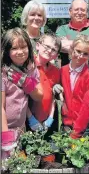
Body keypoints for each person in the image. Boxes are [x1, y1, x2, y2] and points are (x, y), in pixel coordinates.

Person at [1, 27, 43, 159]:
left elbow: (38, 96)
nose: (20, 52)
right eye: (14, 48)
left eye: (24, 47)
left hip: (19, 129)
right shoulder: (3, 73)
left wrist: (24, 82)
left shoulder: (30, 69)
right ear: (6, 51)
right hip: (4, 131)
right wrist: (6, 138)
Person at [27, 34, 63, 136]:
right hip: (29, 119)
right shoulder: (29, 65)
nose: (49, 51)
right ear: (38, 45)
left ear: (56, 55)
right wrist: (30, 118)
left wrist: (51, 117)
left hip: (47, 120)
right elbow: (22, 96)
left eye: (54, 49)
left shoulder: (56, 71)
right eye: (47, 46)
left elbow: (53, 96)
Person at [56, 0, 89, 66]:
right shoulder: (62, 29)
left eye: (82, 10)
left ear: (87, 12)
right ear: (70, 12)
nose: (79, 13)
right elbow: (62, 46)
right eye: (76, 9)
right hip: (68, 74)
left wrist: (71, 44)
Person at [60, 34, 89, 131]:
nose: (80, 56)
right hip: (66, 122)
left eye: (85, 53)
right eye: (78, 51)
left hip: (84, 124)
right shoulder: (62, 71)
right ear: (71, 49)